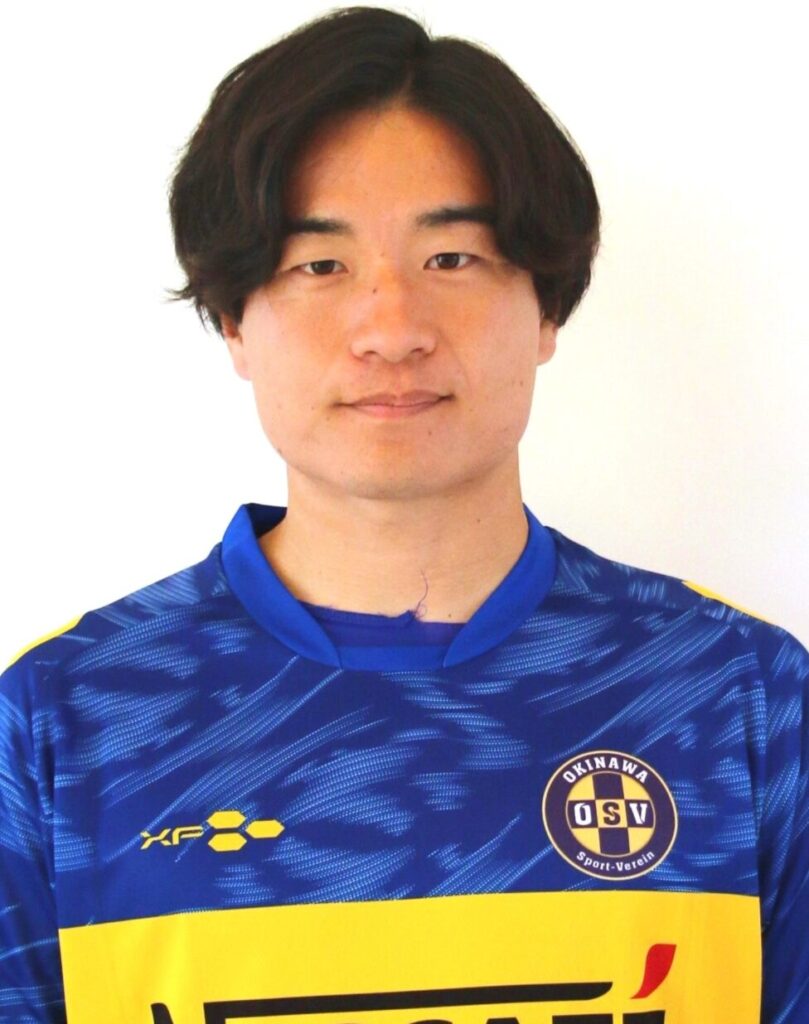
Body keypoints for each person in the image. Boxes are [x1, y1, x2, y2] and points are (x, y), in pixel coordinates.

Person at [1, 6, 806, 1023]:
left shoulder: (738, 696)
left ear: (546, 307)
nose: (390, 329)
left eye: (451, 258)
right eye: (319, 265)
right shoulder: (61, 723)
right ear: (233, 321)